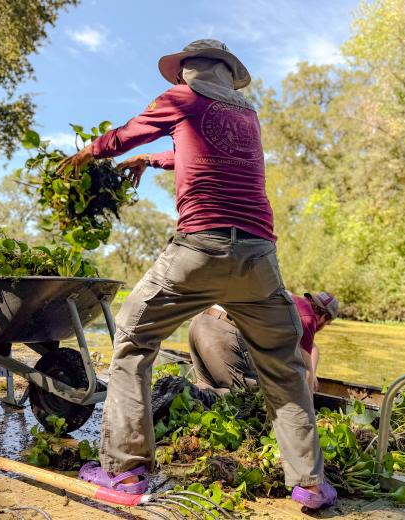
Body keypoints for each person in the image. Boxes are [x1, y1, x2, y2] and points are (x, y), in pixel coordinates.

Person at [58, 39, 335, 509]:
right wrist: (153, 161)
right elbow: (203, 155)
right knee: (286, 368)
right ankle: (309, 484)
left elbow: (127, 133)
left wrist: (89, 154)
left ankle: (124, 471)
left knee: (131, 342)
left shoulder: (182, 100)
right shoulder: (247, 117)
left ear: (193, 71)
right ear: (227, 76)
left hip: (199, 249)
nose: (182, 77)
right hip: (258, 258)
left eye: (185, 69)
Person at [188, 291, 339, 395]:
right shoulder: (308, 318)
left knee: (206, 385)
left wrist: (313, 373)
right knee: (247, 399)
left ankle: (182, 391)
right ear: (324, 317)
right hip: (220, 332)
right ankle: (180, 389)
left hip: (200, 322)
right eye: (328, 324)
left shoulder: (293, 301)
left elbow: (310, 348)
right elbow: (304, 372)